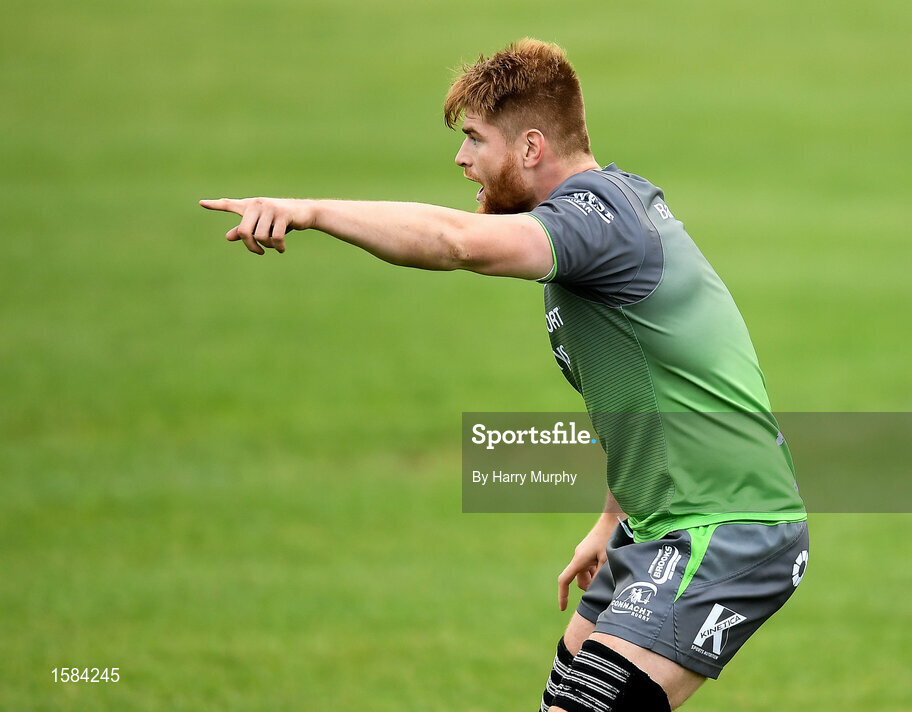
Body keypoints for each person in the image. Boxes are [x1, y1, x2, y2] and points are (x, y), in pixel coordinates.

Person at [200, 38, 809, 712]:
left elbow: (456, 243)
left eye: (474, 140)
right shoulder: (595, 224)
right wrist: (614, 517)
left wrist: (310, 211)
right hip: (664, 520)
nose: (462, 160)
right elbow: (647, 390)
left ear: (530, 148)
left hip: (727, 525)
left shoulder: (598, 221)